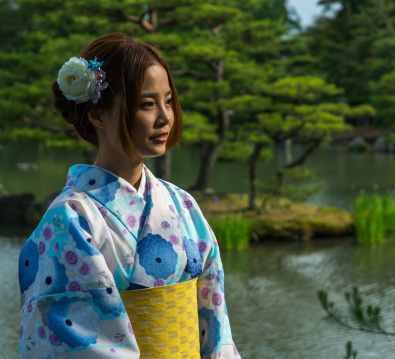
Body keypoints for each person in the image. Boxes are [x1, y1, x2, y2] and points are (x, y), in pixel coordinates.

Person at [18, 32, 241, 359]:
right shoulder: (70, 220)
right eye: (147, 104)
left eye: (168, 101)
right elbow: (71, 341)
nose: (165, 117)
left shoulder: (183, 205)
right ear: (98, 114)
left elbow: (214, 320)